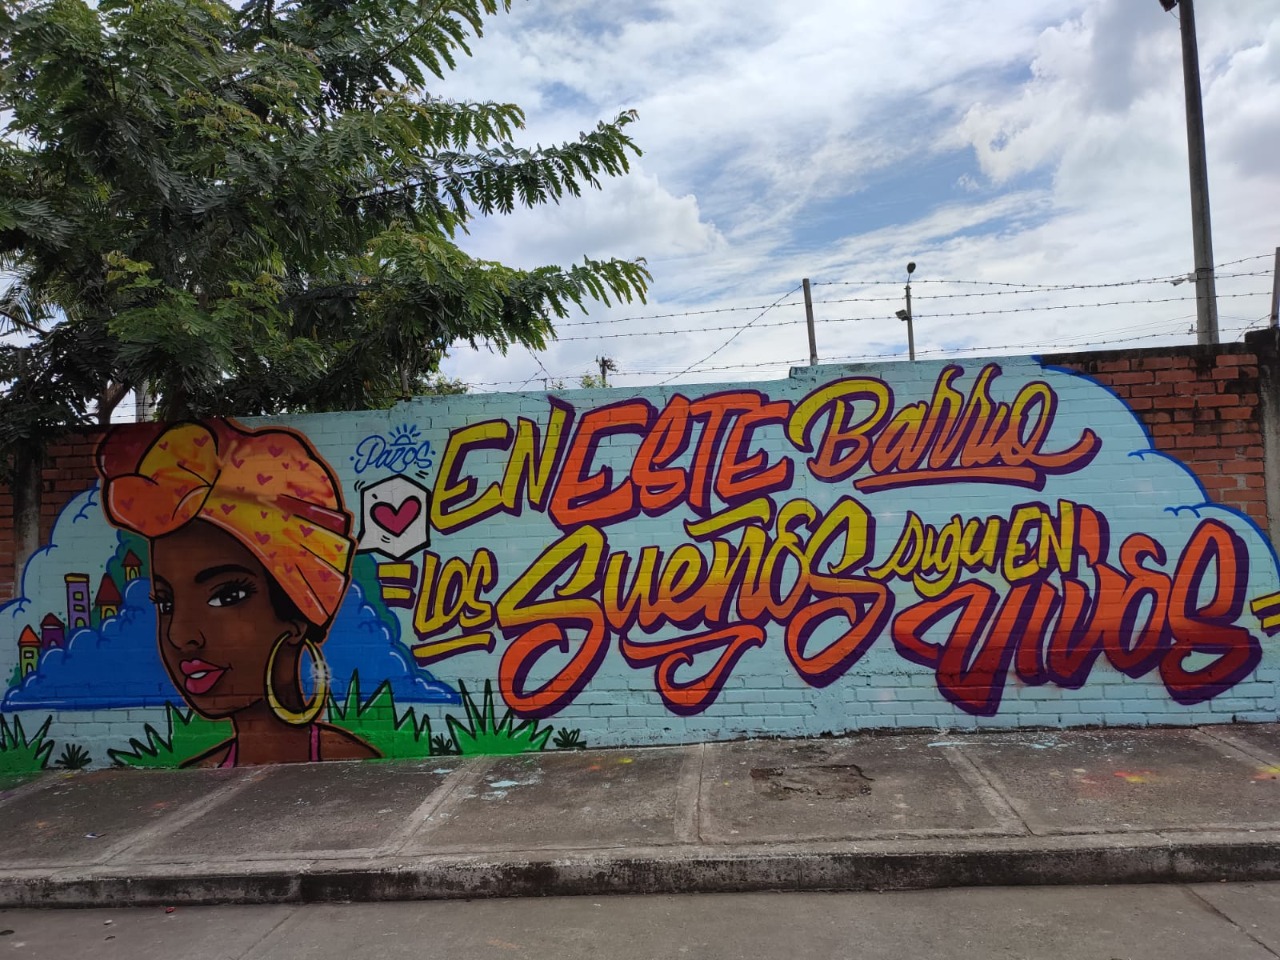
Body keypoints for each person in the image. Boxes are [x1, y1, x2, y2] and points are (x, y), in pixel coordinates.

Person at [97, 419, 378, 767]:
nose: (180, 636)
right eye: (166, 603)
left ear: (296, 617)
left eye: (226, 597)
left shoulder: (352, 767)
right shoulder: (197, 774)